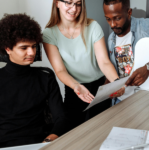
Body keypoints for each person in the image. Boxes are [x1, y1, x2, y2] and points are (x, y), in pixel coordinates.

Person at [0, 13, 69, 149]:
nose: (32, 52)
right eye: (24, 48)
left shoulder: (45, 78)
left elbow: (61, 118)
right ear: (7, 48)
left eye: (34, 46)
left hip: (39, 145)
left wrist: (50, 139)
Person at [42, 0, 124, 130]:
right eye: (68, 3)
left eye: (78, 4)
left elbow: (104, 62)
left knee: (101, 131)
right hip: (75, 89)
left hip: (100, 89)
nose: (74, 9)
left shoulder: (93, 26)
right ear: (57, 3)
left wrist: (116, 82)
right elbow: (60, 70)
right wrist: (76, 86)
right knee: (74, 135)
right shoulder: (49, 34)